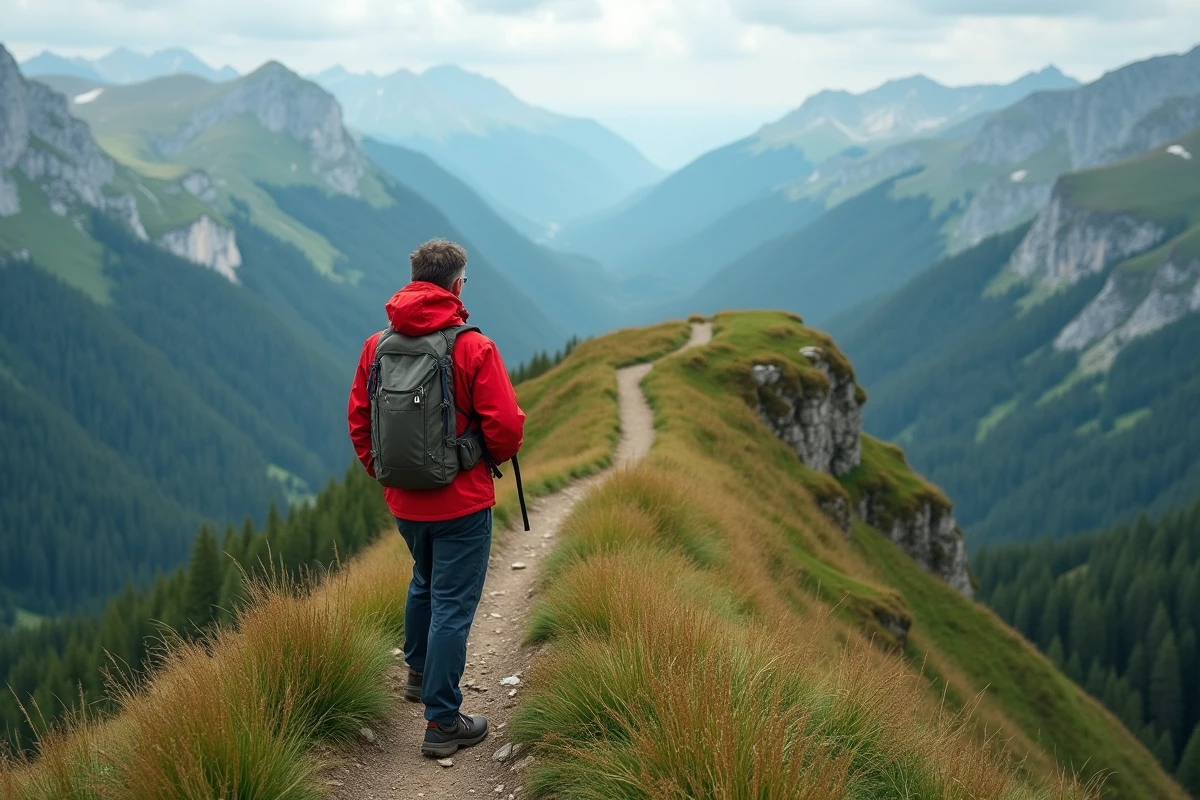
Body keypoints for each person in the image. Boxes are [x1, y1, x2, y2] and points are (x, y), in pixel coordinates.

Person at [347, 239, 525, 757]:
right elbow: (507, 429)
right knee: (452, 602)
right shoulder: (473, 347)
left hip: (405, 501)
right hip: (462, 503)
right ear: (457, 284)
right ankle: (443, 722)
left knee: (424, 579)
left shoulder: (376, 345)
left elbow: (361, 421)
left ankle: (418, 673)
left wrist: (387, 476)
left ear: (414, 278)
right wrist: (473, 459)